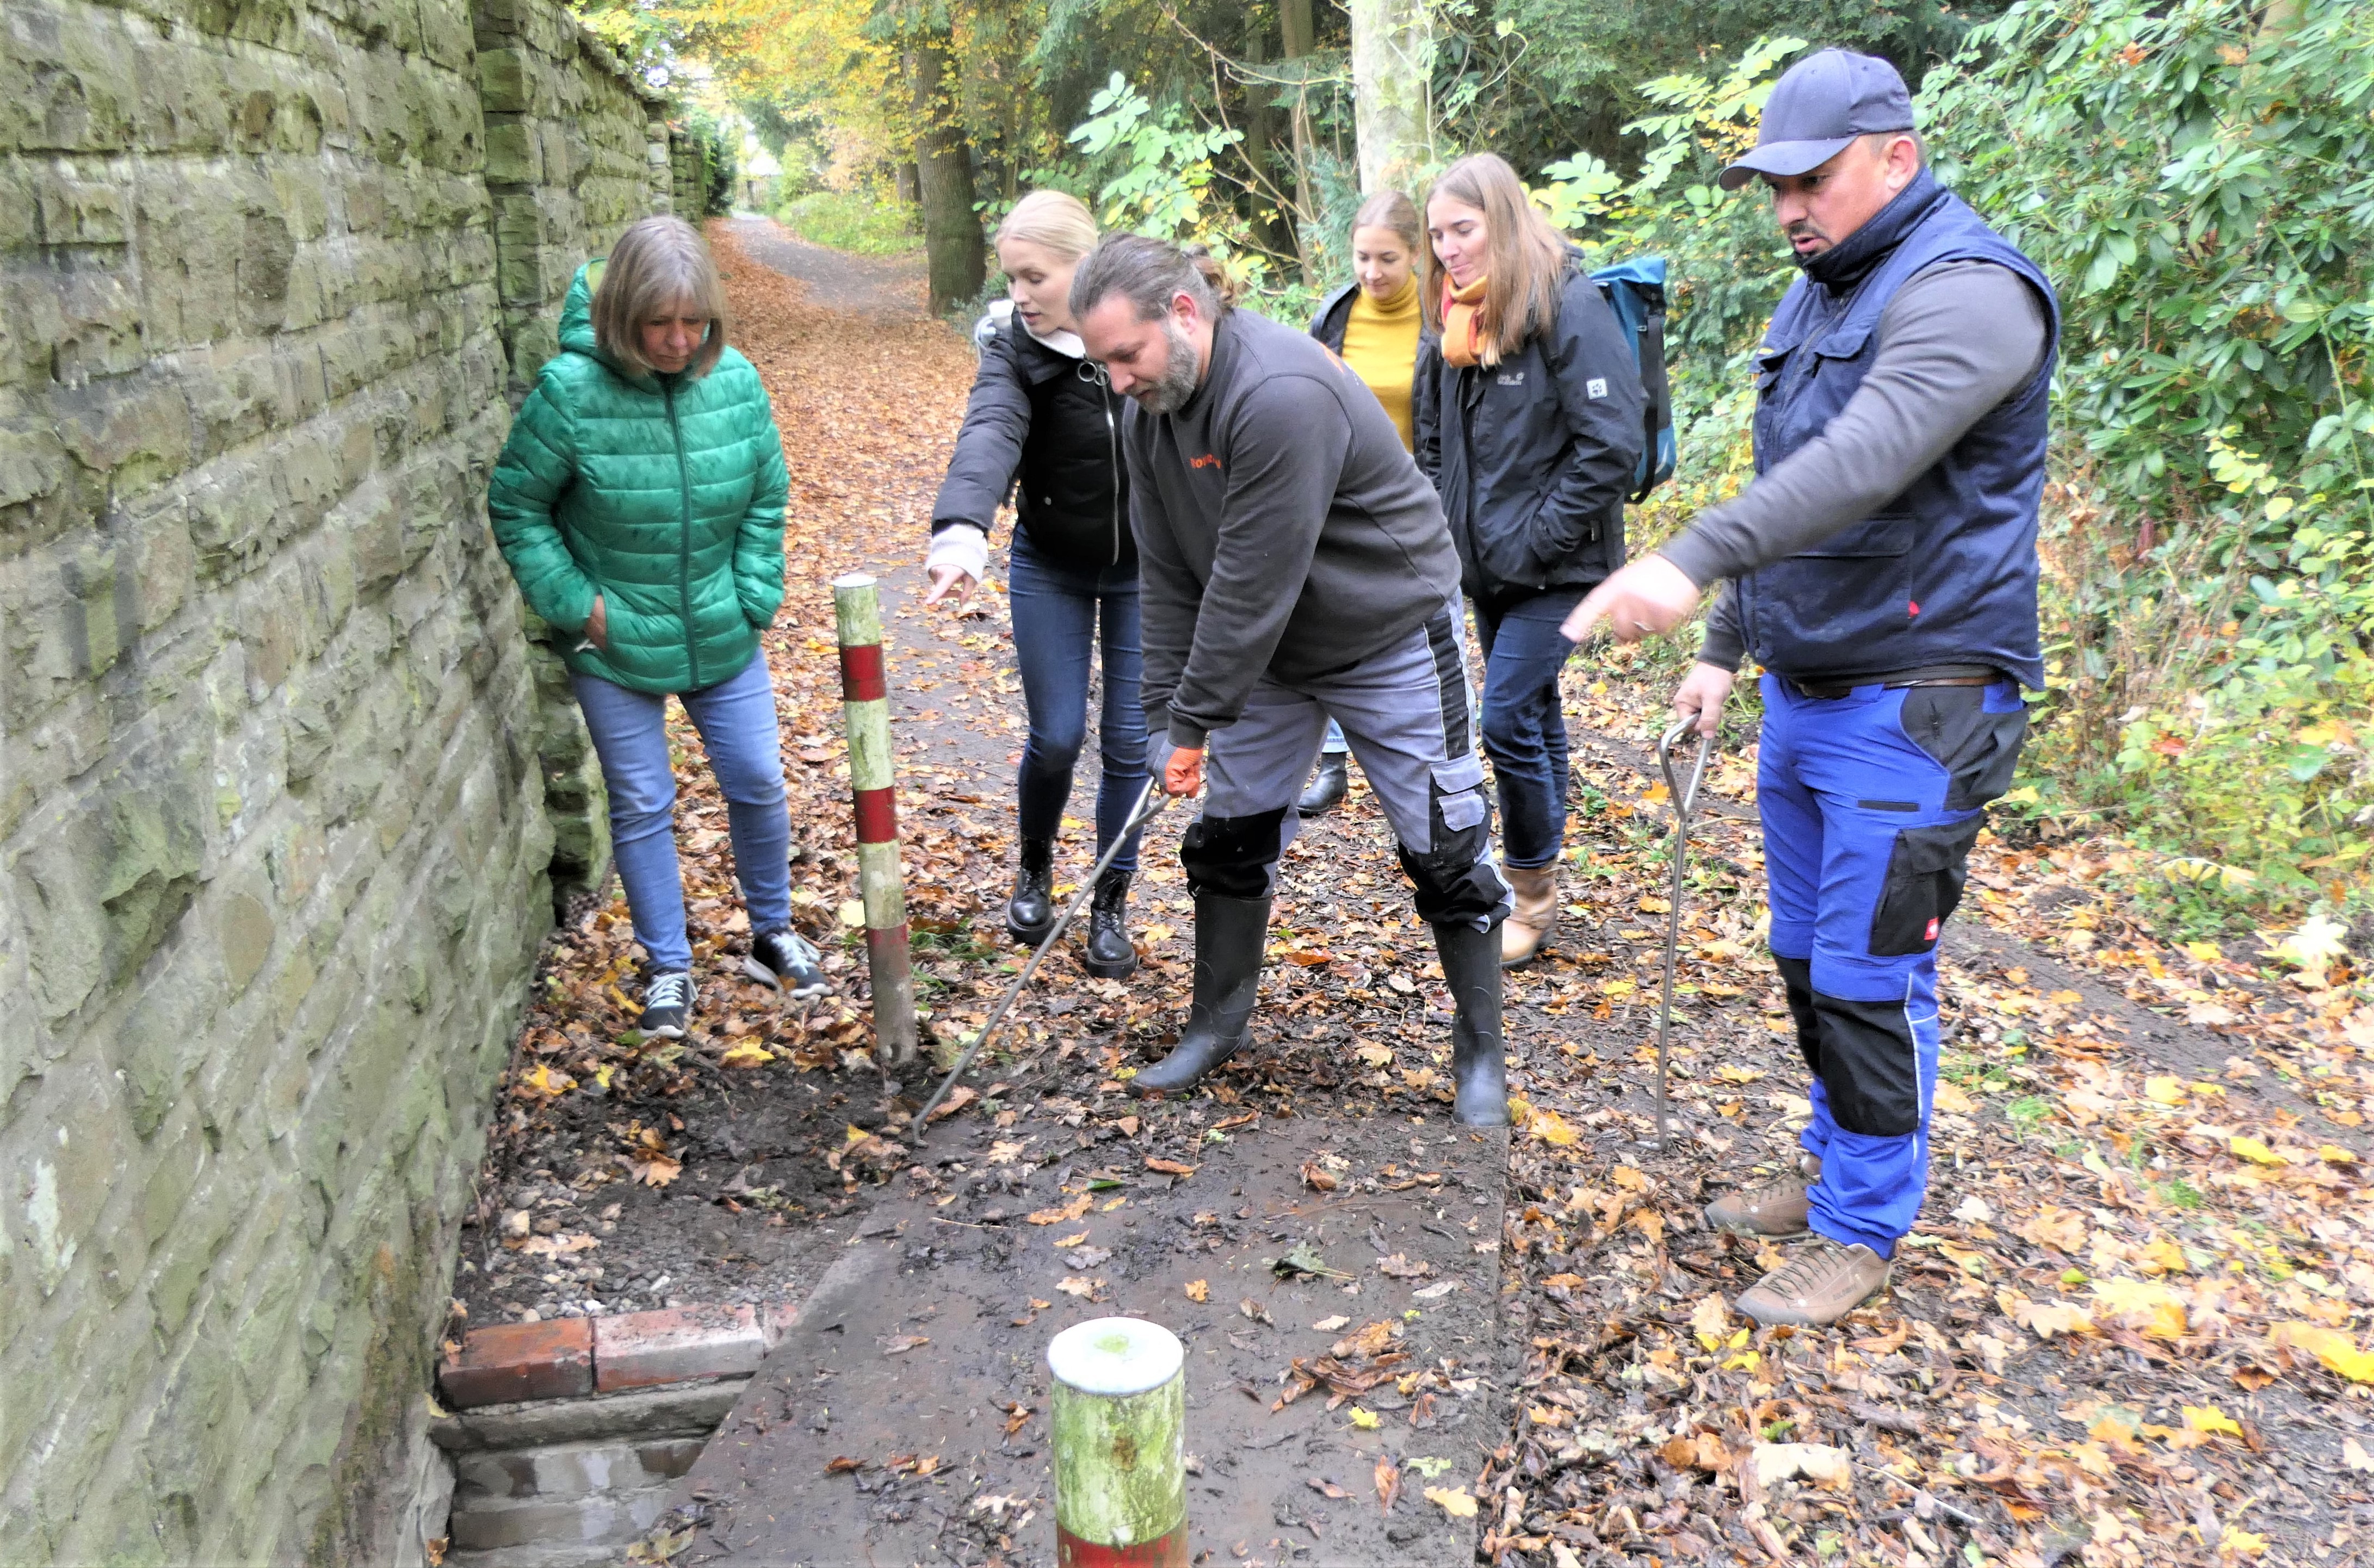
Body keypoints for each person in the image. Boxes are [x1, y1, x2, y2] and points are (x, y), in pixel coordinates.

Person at [1565, 49, 2057, 1327]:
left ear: (1897, 156)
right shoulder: (1818, 293)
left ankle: (1860, 1226)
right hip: (1806, 688)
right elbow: (1792, 486)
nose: (1788, 207)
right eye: (1773, 185)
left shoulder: (1970, 293)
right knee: (1806, 959)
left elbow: (1865, 457)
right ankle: (1839, 1163)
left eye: (1812, 179)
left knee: (1868, 974)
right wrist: (1723, 647)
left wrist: (1688, 559)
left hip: (1922, 700)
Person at [1070, 234, 1514, 1126]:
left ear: (1184, 313)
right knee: (1228, 838)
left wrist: (1193, 721)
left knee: (1445, 842)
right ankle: (1215, 1022)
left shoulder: (1278, 392)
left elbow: (1249, 584)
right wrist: (1161, 719)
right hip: (1266, 656)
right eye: (1100, 363)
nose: (1116, 381)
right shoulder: (1148, 414)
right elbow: (1168, 575)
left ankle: (1480, 1053)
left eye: (1126, 354)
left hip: (1385, 631)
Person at [489, 215, 830, 1038]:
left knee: (758, 779)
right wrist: (578, 604)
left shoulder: (735, 380)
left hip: (722, 623)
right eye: (659, 323)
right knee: (643, 801)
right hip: (615, 637)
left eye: (695, 321)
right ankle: (668, 967)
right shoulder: (569, 394)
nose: (680, 341)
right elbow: (518, 505)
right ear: (621, 316)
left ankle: (772, 933)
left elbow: (766, 493)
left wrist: (754, 592)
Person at [1414, 154, 1647, 969]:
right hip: (1484, 567)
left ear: (1503, 221)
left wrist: (1537, 538)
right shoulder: (1452, 317)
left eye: (1463, 229)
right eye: (1437, 234)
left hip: (1561, 568)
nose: (1448, 248)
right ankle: (1539, 878)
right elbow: (1432, 436)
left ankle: (1530, 894)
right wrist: (1451, 530)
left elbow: (1612, 444)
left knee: (1505, 716)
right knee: (1533, 714)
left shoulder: (1566, 303)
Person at [924, 191, 1145, 977]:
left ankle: (1111, 901)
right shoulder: (1012, 351)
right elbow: (990, 430)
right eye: (1011, 278)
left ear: (1085, 266)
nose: (1019, 294)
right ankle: (1034, 865)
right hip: (1050, 562)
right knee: (1057, 735)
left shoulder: (1140, 335)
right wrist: (961, 529)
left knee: (1131, 744)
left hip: (1145, 572)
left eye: (1034, 277)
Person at [1293, 191, 1428, 817]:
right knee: (1334, 616)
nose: (1371, 272)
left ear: (1416, 254)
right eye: (1361, 258)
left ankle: (1425, 761)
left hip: (1417, 502)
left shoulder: (1441, 321)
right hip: (1342, 499)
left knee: (1417, 629)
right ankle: (1332, 762)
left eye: (1386, 259)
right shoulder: (1335, 315)